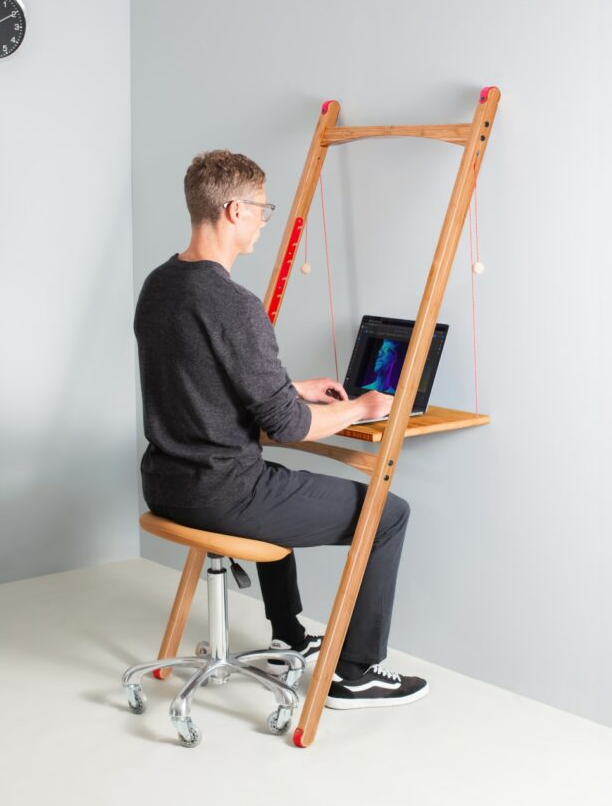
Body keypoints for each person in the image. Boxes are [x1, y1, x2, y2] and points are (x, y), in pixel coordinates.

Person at [134, 149, 428, 709]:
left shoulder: (160, 284)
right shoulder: (234, 304)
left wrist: (292, 386)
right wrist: (364, 407)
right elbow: (290, 428)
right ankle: (358, 673)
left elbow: (196, 374)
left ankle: (287, 637)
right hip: (224, 493)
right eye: (263, 210)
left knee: (279, 484)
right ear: (233, 210)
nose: (265, 222)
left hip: (168, 484)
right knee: (388, 513)